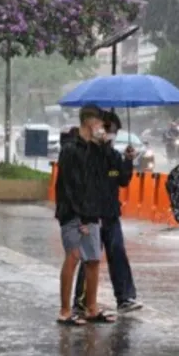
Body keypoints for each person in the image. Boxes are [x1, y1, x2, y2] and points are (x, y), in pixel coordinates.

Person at [73, 110, 143, 314]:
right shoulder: (87, 151)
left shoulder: (112, 154)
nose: (111, 134)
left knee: (118, 253)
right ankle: (82, 299)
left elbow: (121, 178)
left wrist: (128, 160)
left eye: (115, 131)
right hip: (92, 214)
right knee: (91, 258)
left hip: (111, 213)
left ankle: (125, 297)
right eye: (109, 130)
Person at [54, 106, 117, 326]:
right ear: (89, 122)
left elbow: (107, 171)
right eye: (100, 123)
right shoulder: (71, 149)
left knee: (93, 260)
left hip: (92, 212)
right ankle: (64, 310)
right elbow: (70, 185)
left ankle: (91, 307)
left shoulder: (94, 148)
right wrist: (79, 217)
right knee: (73, 257)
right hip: (73, 213)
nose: (102, 127)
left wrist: (105, 146)